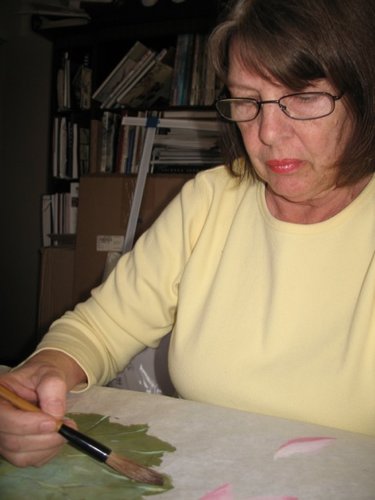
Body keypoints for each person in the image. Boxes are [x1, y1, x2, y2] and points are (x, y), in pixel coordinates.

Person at [1, 0, 375, 468]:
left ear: (363, 93)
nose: (269, 134)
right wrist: (40, 376)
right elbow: (103, 326)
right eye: (246, 100)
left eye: (303, 97)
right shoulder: (210, 199)